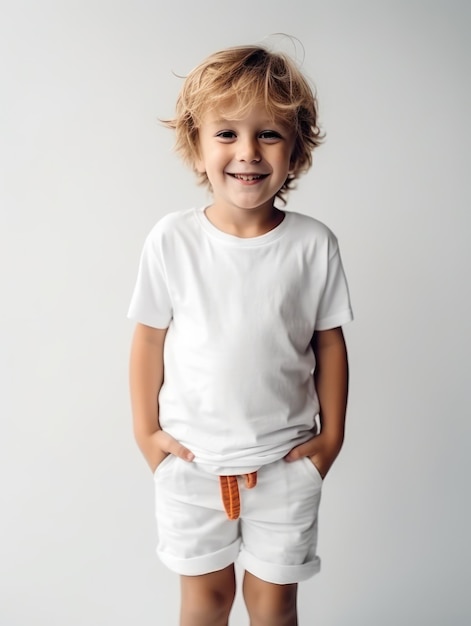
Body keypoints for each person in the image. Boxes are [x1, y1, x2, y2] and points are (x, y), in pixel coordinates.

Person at [128, 42, 353, 626]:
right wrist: (146, 434)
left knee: (274, 603)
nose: (247, 153)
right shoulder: (172, 241)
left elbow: (329, 344)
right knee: (206, 601)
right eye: (226, 134)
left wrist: (331, 441)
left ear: (296, 147)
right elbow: (149, 339)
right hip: (191, 463)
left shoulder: (312, 245)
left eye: (269, 135)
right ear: (197, 147)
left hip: (285, 461)